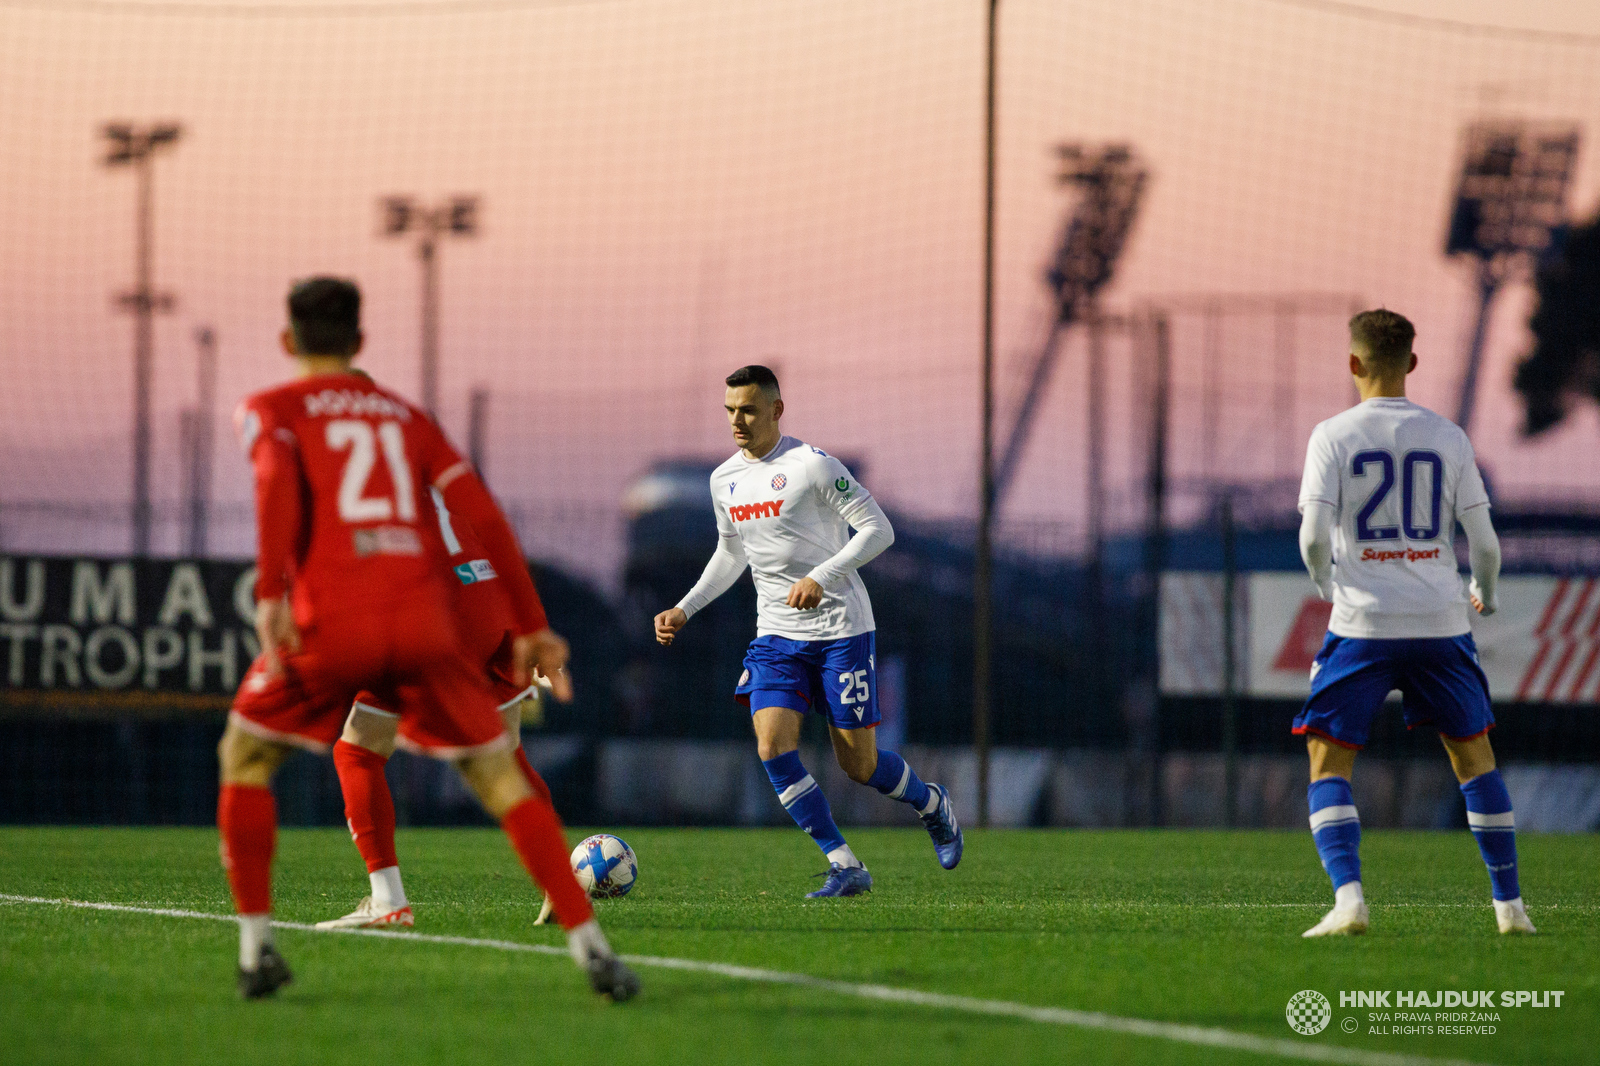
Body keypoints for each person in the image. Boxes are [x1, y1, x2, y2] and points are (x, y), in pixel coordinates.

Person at [220, 276, 639, 999]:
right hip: (470, 614)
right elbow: (485, 511)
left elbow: (277, 496)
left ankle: (307, 930)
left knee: (280, 753)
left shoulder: (276, 409)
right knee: (498, 763)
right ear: (361, 341)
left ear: (289, 342)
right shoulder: (407, 421)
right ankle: (585, 934)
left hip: (363, 609)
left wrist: (270, 596)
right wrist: (533, 626)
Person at [653, 365, 961, 899]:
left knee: (859, 765)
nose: (737, 421)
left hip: (842, 629)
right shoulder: (723, 479)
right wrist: (686, 607)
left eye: (748, 409)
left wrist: (822, 576)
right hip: (774, 637)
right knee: (772, 745)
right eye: (729, 410)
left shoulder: (813, 466)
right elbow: (732, 554)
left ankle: (931, 803)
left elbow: (878, 530)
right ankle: (845, 864)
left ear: (776, 409)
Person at [1293, 308, 1532, 938]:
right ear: (1413, 364)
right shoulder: (1448, 436)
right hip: (1439, 622)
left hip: (1363, 624)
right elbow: (1484, 543)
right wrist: (1485, 589)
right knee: (1475, 758)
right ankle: (1510, 908)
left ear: (1353, 363)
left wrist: (1325, 582)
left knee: (1328, 760)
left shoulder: (1332, 435)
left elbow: (1314, 535)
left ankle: (1349, 901)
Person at [317, 483, 557, 930]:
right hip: (496, 604)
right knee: (504, 757)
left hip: (444, 611)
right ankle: (558, 886)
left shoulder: (364, 488)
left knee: (357, 750)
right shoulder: (438, 480)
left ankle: (388, 900)